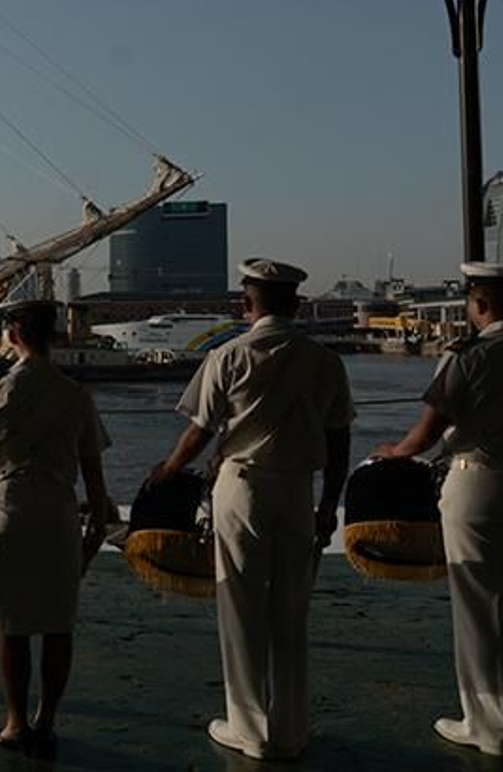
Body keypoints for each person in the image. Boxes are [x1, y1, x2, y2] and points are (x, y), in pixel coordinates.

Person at [371, 262, 503, 758]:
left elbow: (425, 434)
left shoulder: (465, 357)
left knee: (478, 609)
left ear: (480, 305)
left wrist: (393, 452)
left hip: (478, 485)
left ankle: (486, 726)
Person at [146, 258, 352, 761]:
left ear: (246, 304)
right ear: (297, 304)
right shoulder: (325, 362)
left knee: (239, 606)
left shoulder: (229, 356)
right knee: (291, 612)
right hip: (298, 491)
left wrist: (169, 470)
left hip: (241, 486)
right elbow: (340, 439)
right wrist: (330, 504)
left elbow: (199, 430)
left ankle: (249, 729)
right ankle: (291, 729)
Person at [0, 299, 113, 758]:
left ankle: (16, 721)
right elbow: (93, 473)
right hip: (57, 509)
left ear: (13, 336)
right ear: (52, 336)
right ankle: (47, 720)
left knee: (11, 626)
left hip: (7, 508)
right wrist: (96, 522)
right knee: (58, 624)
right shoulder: (77, 396)